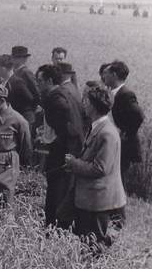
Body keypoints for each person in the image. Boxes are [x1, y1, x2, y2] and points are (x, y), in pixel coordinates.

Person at [64, 85, 126, 251]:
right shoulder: (97, 127)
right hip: (91, 197)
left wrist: (74, 164)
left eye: (86, 101)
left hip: (98, 201)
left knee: (94, 244)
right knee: (86, 241)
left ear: (93, 105)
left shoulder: (107, 133)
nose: (83, 104)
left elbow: (100, 169)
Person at [36, 64, 84, 228]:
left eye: (40, 81)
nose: (38, 85)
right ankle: (60, 227)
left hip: (61, 152)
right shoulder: (68, 92)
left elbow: (66, 128)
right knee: (64, 190)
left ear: (49, 80)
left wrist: (56, 142)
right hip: (71, 150)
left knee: (56, 192)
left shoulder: (55, 98)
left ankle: (52, 228)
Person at [103, 60, 144, 230]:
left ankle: (118, 221)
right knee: (115, 179)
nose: (103, 76)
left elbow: (138, 115)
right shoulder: (114, 93)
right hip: (118, 144)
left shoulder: (126, 94)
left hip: (124, 147)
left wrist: (126, 132)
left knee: (118, 180)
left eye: (106, 73)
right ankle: (113, 217)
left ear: (114, 75)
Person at [6, 45, 41, 130]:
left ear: (24, 59)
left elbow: (37, 93)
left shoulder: (26, 73)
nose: (13, 59)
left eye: (17, 57)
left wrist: (31, 108)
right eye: (13, 57)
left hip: (26, 113)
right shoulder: (14, 72)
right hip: (16, 112)